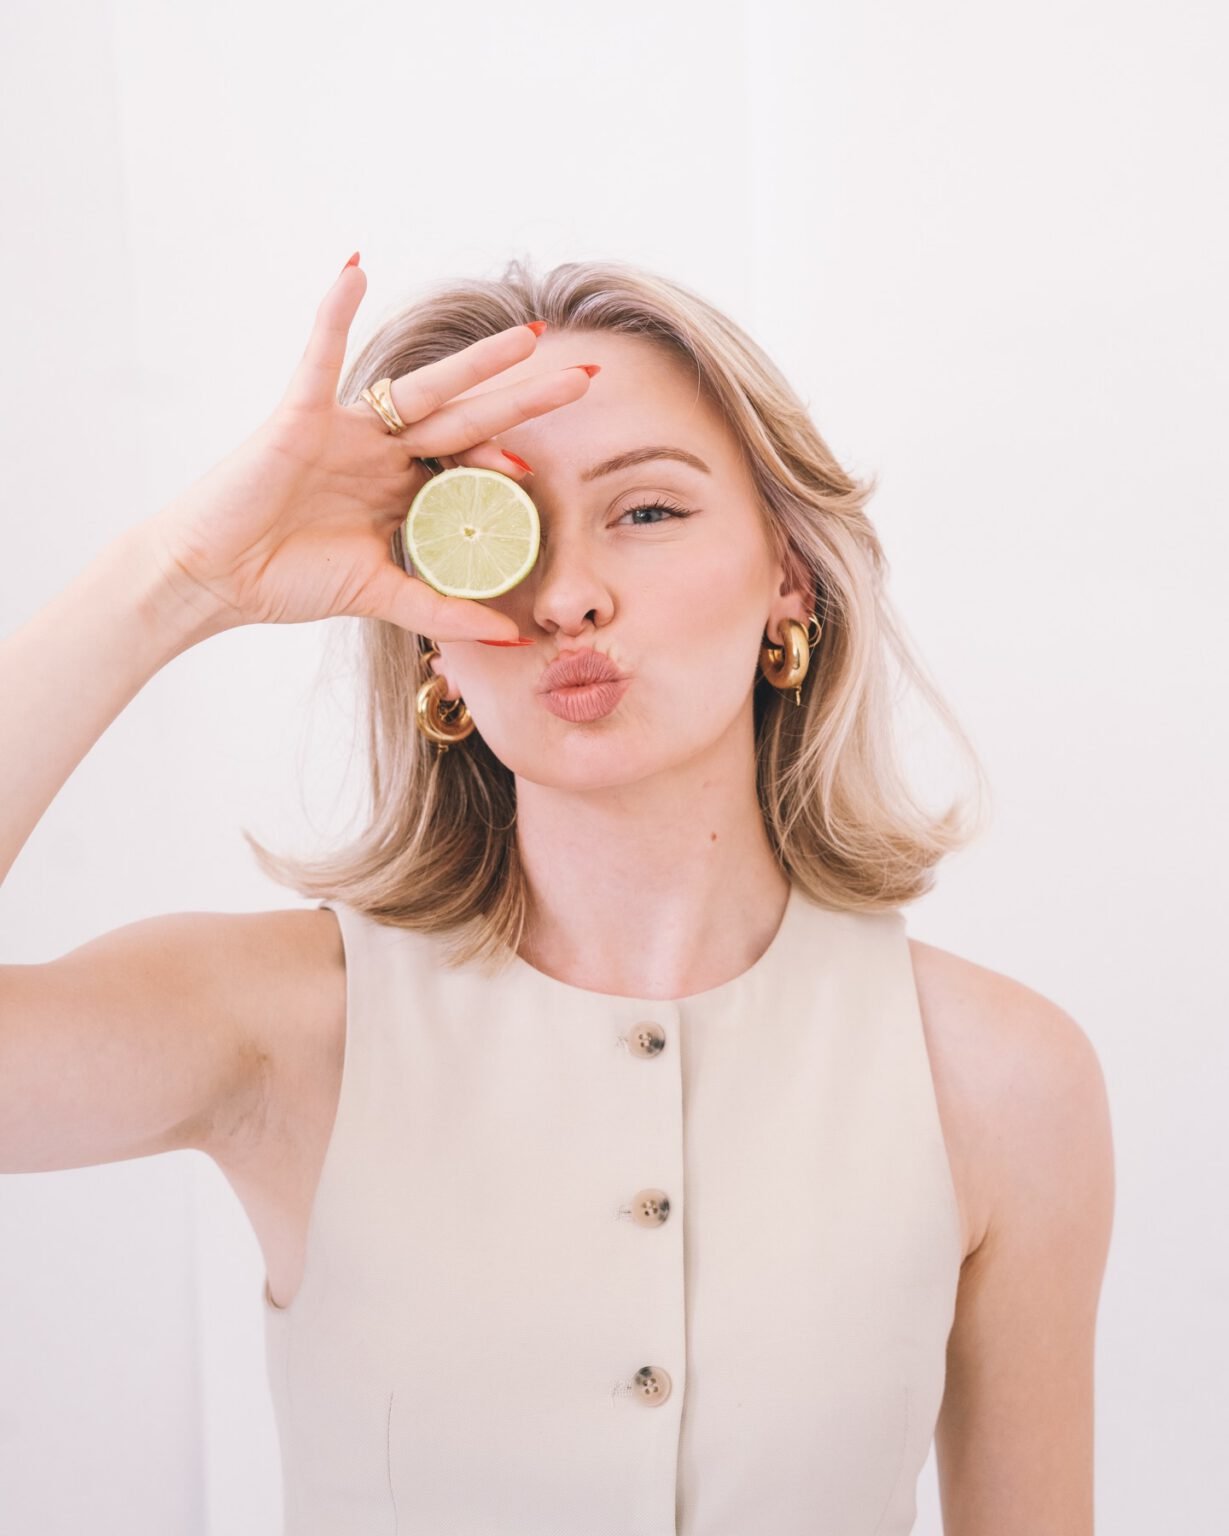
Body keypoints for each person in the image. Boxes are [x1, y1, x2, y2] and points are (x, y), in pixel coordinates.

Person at [0, 252, 1115, 1534]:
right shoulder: (285, 1029)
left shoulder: (1000, 1079)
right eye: (497, 527)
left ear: (787, 578)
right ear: (429, 634)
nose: (567, 596)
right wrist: (178, 579)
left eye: (646, 511)